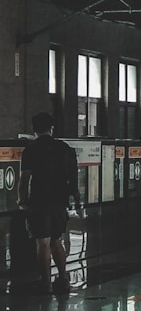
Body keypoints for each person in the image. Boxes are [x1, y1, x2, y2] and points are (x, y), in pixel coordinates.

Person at [16, 113, 82, 294]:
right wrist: (75, 199)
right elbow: (73, 178)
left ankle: (45, 283)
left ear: (33, 129)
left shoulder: (31, 149)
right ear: (51, 128)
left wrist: (22, 201)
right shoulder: (65, 148)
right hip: (59, 201)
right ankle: (63, 278)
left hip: (38, 201)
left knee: (42, 243)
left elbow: (24, 179)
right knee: (56, 240)